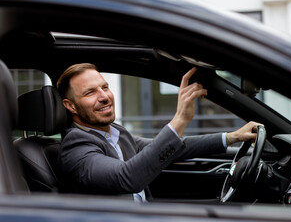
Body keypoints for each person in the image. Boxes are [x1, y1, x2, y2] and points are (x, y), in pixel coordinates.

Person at [57, 63, 262, 201]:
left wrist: (231, 137)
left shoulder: (115, 133)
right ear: (71, 106)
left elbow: (171, 148)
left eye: (105, 87)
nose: (104, 96)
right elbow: (127, 177)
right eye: (90, 92)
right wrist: (180, 119)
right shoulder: (75, 147)